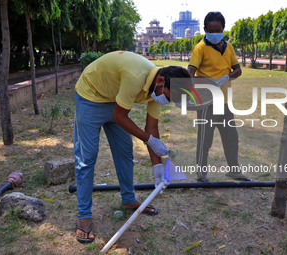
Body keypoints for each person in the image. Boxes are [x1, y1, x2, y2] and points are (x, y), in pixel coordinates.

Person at [74, 51, 191, 243]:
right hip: (90, 95)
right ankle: (84, 215)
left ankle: (128, 199)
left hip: (114, 98)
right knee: (87, 158)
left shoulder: (158, 89)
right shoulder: (136, 76)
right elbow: (120, 117)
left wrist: (157, 167)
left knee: (124, 152)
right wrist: (149, 140)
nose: (168, 101)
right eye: (170, 97)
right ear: (161, 80)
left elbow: (151, 128)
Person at [187, 12, 252, 182]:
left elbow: (238, 70)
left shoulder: (228, 47)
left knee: (231, 136)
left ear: (223, 28)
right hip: (207, 102)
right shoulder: (200, 48)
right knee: (205, 139)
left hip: (224, 101)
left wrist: (228, 77)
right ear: (205, 30)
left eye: (218, 30)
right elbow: (190, 73)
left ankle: (234, 170)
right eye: (211, 30)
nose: (215, 33)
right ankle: (201, 174)